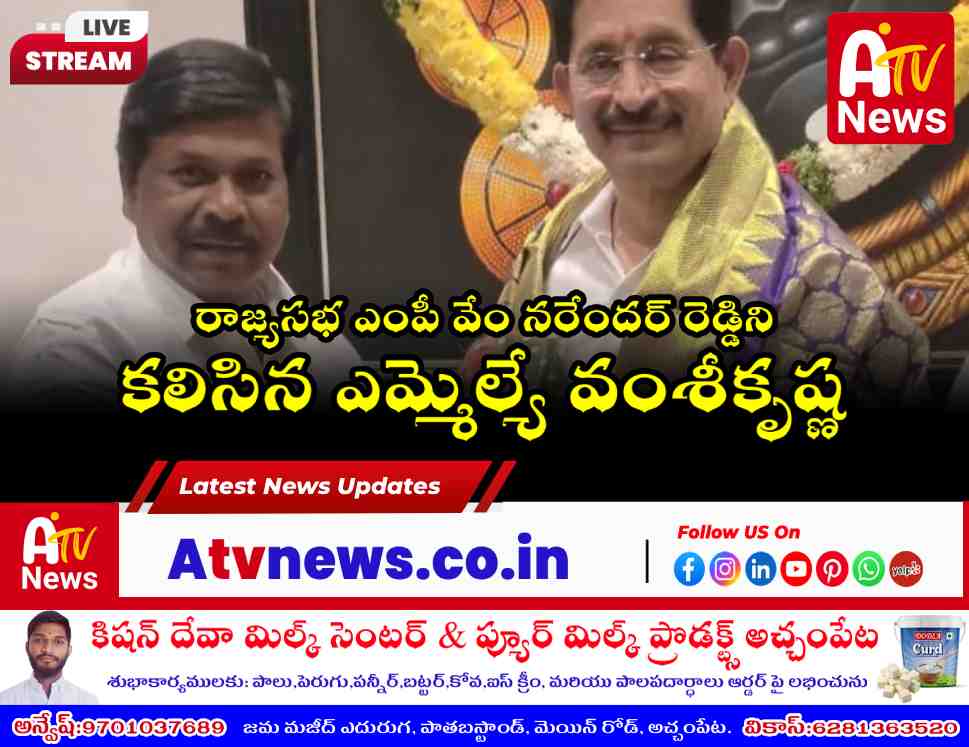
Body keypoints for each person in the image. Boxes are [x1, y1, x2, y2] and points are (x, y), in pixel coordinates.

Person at [496, 0, 928, 404]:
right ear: (567, 90)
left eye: (662, 56)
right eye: (601, 63)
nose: (631, 96)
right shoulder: (551, 243)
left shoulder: (825, 287)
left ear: (729, 71)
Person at [10, 39, 360, 408]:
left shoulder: (310, 336)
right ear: (131, 187)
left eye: (255, 177)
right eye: (192, 174)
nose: (227, 208)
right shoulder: (73, 352)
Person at [0, 611, 98, 705]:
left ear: (69, 650)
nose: (47, 649)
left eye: (58, 642)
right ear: (27, 647)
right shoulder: (5, 701)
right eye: (38, 640)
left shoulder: (88, 702)